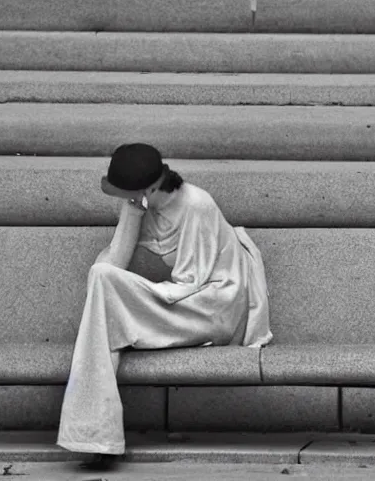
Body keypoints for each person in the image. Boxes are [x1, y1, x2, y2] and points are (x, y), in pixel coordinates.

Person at [56, 143, 273, 469]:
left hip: (213, 308)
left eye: (129, 193)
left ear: (153, 187)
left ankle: (96, 435)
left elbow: (190, 283)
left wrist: (129, 299)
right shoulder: (141, 205)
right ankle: (97, 434)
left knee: (104, 295)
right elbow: (113, 263)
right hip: (181, 305)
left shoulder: (197, 205)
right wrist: (132, 212)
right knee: (103, 297)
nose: (124, 199)